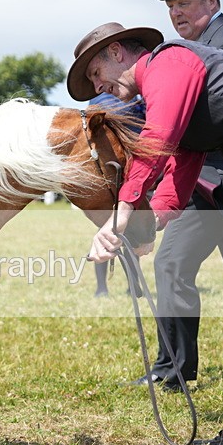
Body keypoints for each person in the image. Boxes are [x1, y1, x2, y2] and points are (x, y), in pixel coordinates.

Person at [66, 22, 223, 445]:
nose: (99, 86)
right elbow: (181, 168)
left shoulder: (168, 62)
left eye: (97, 73)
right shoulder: (169, 91)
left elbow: (156, 142)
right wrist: (142, 226)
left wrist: (117, 220)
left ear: (119, 52)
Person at [127, 0, 223, 393]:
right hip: (200, 188)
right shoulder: (192, 47)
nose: (176, 13)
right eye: (171, 6)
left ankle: (181, 367)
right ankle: (173, 366)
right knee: (172, 265)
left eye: (184, 2)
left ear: (212, 1)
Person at [87, 92, 147, 298]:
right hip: (123, 172)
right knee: (123, 232)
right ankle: (124, 286)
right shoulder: (132, 98)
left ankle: (106, 288)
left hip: (112, 174)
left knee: (111, 232)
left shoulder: (96, 101)